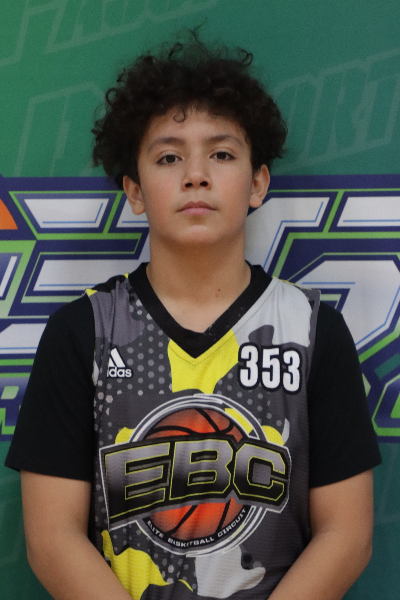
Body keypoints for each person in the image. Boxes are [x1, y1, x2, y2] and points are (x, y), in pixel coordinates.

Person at [6, 33, 381, 600]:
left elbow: (347, 535)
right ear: (135, 190)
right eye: (169, 157)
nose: (196, 175)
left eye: (222, 154)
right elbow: (51, 538)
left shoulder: (312, 330)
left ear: (258, 183)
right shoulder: (82, 332)